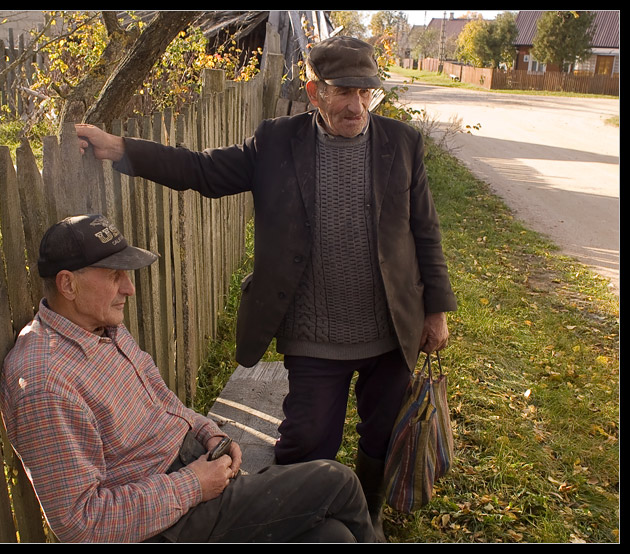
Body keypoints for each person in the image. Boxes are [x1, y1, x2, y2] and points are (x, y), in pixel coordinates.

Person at [75, 36, 457, 539]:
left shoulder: (401, 143)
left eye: (367, 93)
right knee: (306, 443)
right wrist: (122, 149)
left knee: (382, 435)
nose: (357, 105)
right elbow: (203, 170)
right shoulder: (278, 141)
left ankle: (370, 517)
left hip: (390, 328)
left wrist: (436, 310)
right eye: (344, 92)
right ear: (314, 90)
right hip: (314, 336)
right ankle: (304, 526)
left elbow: (424, 230)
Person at [0, 214, 379, 543]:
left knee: (333, 538)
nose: (129, 288)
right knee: (337, 481)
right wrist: (194, 485)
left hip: (191, 472)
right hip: (165, 525)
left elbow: (162, 401)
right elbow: (82, 524)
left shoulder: (100, 328)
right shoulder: (43, 382)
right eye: (115, 276)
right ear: (68, 285)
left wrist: (207, 432)